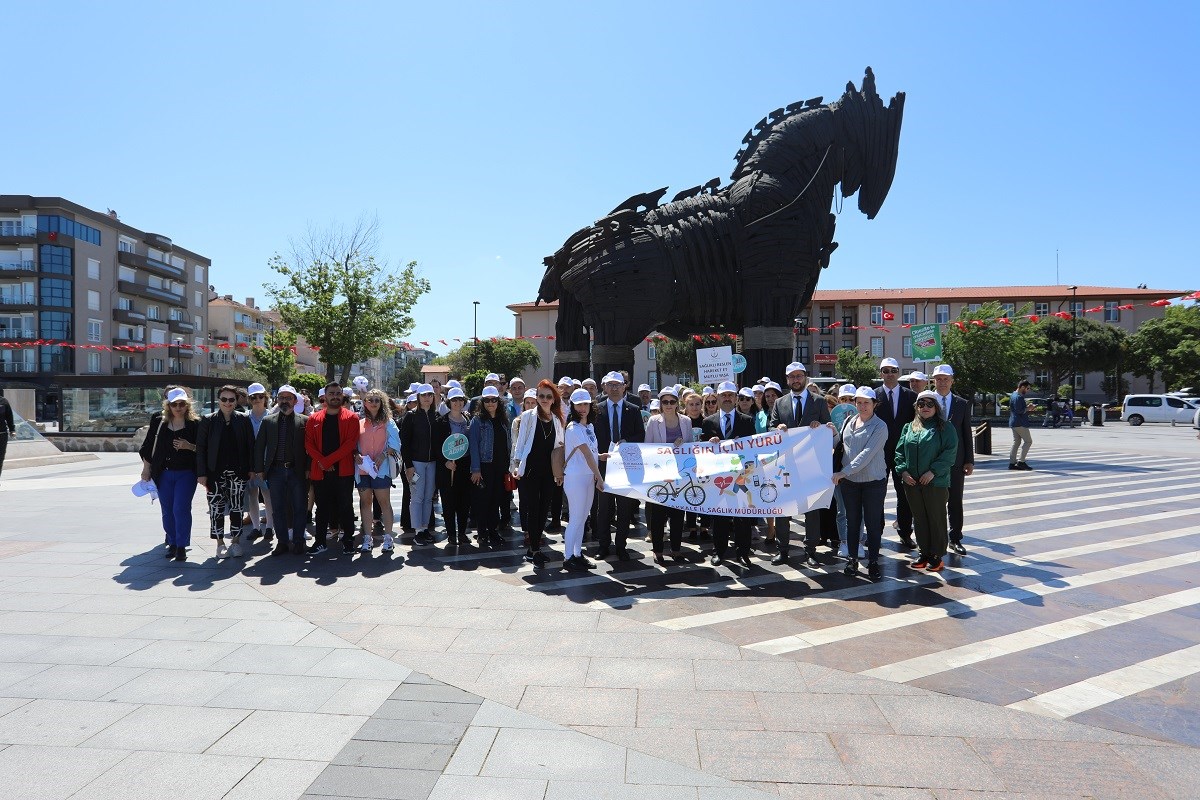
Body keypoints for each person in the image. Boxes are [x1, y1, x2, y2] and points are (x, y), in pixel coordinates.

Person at [768, 361, 831, 568]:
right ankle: (782, 549)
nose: (796, 380)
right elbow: (770, 428)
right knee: (784, 509)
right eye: (792, 377)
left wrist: (820, 427)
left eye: (799, 376)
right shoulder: (780, 403)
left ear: (805, 377)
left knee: (811, 510)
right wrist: (777, 428)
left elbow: (828, 429)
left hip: (811, 465)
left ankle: (810, 550)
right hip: (785, 466)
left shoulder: (819, 401)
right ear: (787, 380)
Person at [895, 390, 960, 573]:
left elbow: (950, 453)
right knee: (919, 518)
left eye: (930, 404)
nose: (925, 407)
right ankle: (924, 552)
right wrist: (903, 471)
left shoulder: (945, 427)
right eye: (921, 404)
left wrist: (933, 471)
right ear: (916, 407)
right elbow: (899, 452)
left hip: (935, 482)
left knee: (936, 518)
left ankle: (936, 555)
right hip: (912, 483)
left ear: (936, 407)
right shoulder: (909, 427)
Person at [832, 387, 889, 581]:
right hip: (850, 483)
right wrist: (832, 433)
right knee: (852, 522)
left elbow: (866, 454)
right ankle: (852, 560)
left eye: (867, 402)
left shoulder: (880, 426)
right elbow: (841, 444)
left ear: (874, 404)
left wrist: (844, 471)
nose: (862, 406)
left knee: (872, 524)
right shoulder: (849, 420)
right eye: (859, 402)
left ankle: (873, 562)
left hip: (873, 482)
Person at [139, 387, 199, 562]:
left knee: (180, 508)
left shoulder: (195, 423)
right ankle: (172, 542)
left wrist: (189, 446)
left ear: (187, 405)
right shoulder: (159, 422)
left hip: (186, 473)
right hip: (163, 473)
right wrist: (146, 468)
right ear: (168, 405)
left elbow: (204, 448)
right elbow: (148, 446)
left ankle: (181, 546)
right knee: (167, 510)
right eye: (174, 404)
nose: (178, 407)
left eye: (182, 404)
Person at [196, 384, 256, 558]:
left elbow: (251, 445)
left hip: (238, 472)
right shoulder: (208, 420)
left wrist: (252, 469)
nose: (227, 403)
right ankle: (220, 543)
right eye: (224, 399)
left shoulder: (243, 419)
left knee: (237, 508)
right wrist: (201, 473)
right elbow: (201, 448)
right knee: (216, 508)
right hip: (214, 473)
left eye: (231, 399)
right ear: (218, 400)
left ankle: (236, 542)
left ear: (236, 401)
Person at [701, 381, 757, 566]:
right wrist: (709, 443)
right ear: (717, 397)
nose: (727, 398)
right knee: (719, 516)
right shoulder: (708, 422)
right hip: (718, 478)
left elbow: (754, 449)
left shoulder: (747, 421)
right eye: (723, 395)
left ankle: (743, 552)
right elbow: (702, 451)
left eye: (730, 395)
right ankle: (719, 551)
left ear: (736, 398)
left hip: (741, 476)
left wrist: (743, 446)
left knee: (742, 517)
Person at [511, 380, 565, 565]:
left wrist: (560, 472)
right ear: (536, 397)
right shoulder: (528, 416)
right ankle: (533, 549)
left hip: (549, 472)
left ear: (554, 399)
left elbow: (560, 446)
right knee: (533, 509)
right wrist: (516, 465)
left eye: (548, 396)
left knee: (543, 510)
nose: (544, 399)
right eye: (541, 396)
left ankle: (535, 548)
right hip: (530, 471)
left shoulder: (557, 419)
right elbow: (520, 443)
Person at [594, 371, 646, 560]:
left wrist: (627, 441)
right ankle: (603, 546)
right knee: (603, 509)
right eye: (611, 385)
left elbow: (640, 435)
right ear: (604, 387)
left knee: (624, 509)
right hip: (603, 465)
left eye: (618, 384)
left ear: (625, 387)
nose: (614, 388)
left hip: (625, 467)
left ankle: (621, 546)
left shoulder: (633, 409)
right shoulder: (596, 409)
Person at [304, 380, 360, 555]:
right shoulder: (314, 418)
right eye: (331, 394)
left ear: (342, 396)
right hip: (320, 471)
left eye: (338, 393)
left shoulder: (352, 417)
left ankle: (348, 540)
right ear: (325, 397)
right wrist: (323, 461)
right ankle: (320, 541)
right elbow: (309, 444)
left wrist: (327, 461)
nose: (335, 396)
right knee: (322, 507)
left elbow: (350, 444)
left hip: (344, 470)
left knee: (346, 506)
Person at [253, 385, 309, 556]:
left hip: (297, 471)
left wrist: (308, 469)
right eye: (282, 398)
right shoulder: (268, 421)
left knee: (299, 507)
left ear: (295, 401)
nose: (285, 401)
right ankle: (282, 542)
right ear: (277, 400)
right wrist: (259, 469)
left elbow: (310, 448)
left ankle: (298, 541)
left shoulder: (305, 421)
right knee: (277, 508)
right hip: (275, 471)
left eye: (288, 398)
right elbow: (259, 447)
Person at [874, 357, 918, 549]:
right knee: (877, 495)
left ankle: (905, 533)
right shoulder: (874, 396)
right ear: (881, 373)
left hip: (903, 454)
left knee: (905, 495)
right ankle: (876, 532)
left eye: (893, 370)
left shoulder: (911, 397)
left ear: (899, 372)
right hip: (879, 453)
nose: (890, 374)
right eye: (886, 371)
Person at [931, 364, 974, 555]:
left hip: (956, 461)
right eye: (939, 379)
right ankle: (935, 537)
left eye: (946, 379)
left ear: (952, 381)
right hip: (932, 461)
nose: (942, 382)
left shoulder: (961, 403)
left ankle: (955, 538)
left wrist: (969, 460)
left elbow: (966, 432)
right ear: (934, 381)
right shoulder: (926, 401)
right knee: (934, 501)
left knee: (955, 500)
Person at [645, 386, 691, 564]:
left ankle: (676, 550)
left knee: (678, 514)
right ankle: (657, 551)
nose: (669, 405)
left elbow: (691, 446)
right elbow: (648, 447)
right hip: (660, 474)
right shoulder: (653, 421)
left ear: (677, 403)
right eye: (665, 402)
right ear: (661, 404)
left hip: (680, 474)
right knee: (658, 515)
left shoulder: (686, 421)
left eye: (672, 401)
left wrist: (683, 444)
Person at [562, 388, 606, 571]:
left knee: (582, 517)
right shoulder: (573, 428)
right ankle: (568, 557)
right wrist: (600, 478)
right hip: (576, 477)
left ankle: (578, 554)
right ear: (572, 406)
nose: (582, 408)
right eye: (578, 404)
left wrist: (600, 456)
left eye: (585, 404)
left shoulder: (589, 427)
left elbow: (591, 453)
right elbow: (587, 455)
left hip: (587, 476)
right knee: (575, 518)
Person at [355, 388, 400, 554]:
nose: (373, 403)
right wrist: (356, 454)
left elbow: (396, 444)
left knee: (384, 502)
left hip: (382, 469)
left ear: (382, 403)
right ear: (365, 403)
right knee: (365, 502)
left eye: (377, 400)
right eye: (370, 400)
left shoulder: (388, 422)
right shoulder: (359, 423)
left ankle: (388, 537)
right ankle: (367, 537)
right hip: (363, 469)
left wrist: (384, 454)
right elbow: (353, 444)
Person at [469, 385, 510, 548]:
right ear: (482, 402)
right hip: (485, 467)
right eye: (487, 400)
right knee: (483, 501)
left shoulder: (503, 419)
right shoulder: (477, 420)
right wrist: (476, 469)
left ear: (498, 401)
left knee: (496, 500)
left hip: (501, 466)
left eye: (494, 400)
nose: (490, 403)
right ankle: (482, 533)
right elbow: (473, 445)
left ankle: (493, 531)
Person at [402, 383, 441, 546]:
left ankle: (424, 528)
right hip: (416, 463)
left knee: (428, 497)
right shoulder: (410, 416)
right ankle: (417, 530)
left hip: (432, 463)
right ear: (418, 397)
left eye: (430, 395)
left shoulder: (436, 415)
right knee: (417, 497)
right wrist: (409, 465)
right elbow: (404, 443)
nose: (427, 398)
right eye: (423, 395)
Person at [437, 387, 472, 547]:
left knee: (464, 501)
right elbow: (436, 446)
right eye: (454, 400)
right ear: (449, 402)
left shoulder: (468, 419)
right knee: (449, 501)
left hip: (465, 464)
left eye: (460, 399)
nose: (458, 402)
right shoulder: (441, 422)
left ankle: (462, 533)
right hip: (448, 466)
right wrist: (445, 461)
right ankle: (451, 534)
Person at [242, 384, 275, 544]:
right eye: (253, 397)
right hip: (249, 462)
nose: (257, 399)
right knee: (252, 494)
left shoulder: (272, 416)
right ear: (249, 399)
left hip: (267, 462)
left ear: (265, 397)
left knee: (268, 495)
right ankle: (256, 527)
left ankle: (269, 527)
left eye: (260, 396)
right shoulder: (244, 417)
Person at [1008, 379, 1034, 470]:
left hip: (1013, 422)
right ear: (1022, 387)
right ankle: (1021, 461)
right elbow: (1019, 411)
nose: (1028, 390)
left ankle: (1012, 463)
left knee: (1016, 442)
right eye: (1027, 388)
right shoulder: (1018, 397)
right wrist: (1029, 408)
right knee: (1028, 441)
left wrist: (1027, 408)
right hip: (1020, 423)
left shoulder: (1013, 395)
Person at [0, 388, 14, 480]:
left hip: (2, 435)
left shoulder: (3, 401)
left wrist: (12, 430)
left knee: (0, 458)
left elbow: (9, 417)